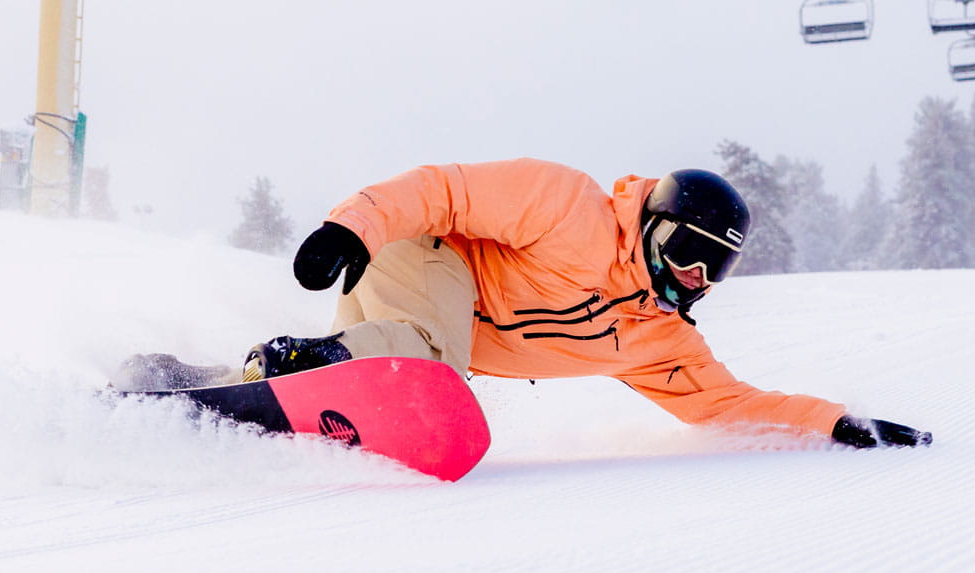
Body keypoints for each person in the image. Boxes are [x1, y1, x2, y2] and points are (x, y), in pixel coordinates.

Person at [143, 160, 931, 450]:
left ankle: (198, 378)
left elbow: (729, 403)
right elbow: (442, 192)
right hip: (425, 256)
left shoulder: (656, 338)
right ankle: (325, 360)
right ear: (655, 227)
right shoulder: (569, 208)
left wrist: (834, 421)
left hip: (429, 332)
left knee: (430, 361)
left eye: (715, 269)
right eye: (690, 253)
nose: (696, 278)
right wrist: (351, 228)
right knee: (432, 361)